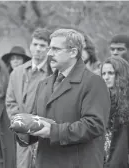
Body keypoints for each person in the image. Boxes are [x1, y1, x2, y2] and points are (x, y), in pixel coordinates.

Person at [15, 29, 111, 168]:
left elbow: (94, 125)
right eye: (49, 48)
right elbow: (39, 121)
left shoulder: (94, 82)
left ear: (73, 52)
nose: (49, 54)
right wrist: (25, 131)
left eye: (55, 49)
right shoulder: (44, 84)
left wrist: (53, 131)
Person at [5, 28, 52, 168]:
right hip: (23, 137)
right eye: (35, 44)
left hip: (46, 136)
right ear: (30, 46)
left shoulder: (54, 73)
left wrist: (41, 126)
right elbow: (10, 102)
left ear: (49, 49)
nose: (38, 49)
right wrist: (21, 124)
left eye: (42, 46)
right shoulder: (17, 73)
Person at [101, 56, 129, 168]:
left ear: (121, 75)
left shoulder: (126, 103)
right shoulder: (101, 100)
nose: (106, 77)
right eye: (103, 74)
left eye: (111, 73)